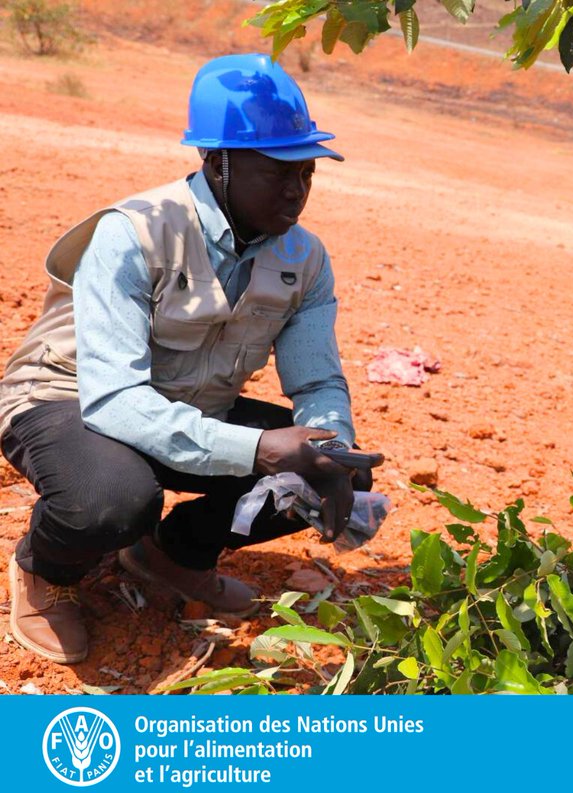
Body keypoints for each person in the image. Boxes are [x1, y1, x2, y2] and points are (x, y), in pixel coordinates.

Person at [0, 54, 371, 665]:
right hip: (67, 398)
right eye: (277, 171)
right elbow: (116, 400)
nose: (296, 190)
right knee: (113, 500)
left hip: (190, 406)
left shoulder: (304, 259)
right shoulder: (135, 232)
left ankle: (172, 554)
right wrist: (256, 448)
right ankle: (45, 571)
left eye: (306, 172)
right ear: (217, 162)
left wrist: (330, 445)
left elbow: (318, 380)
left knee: (333, 472)